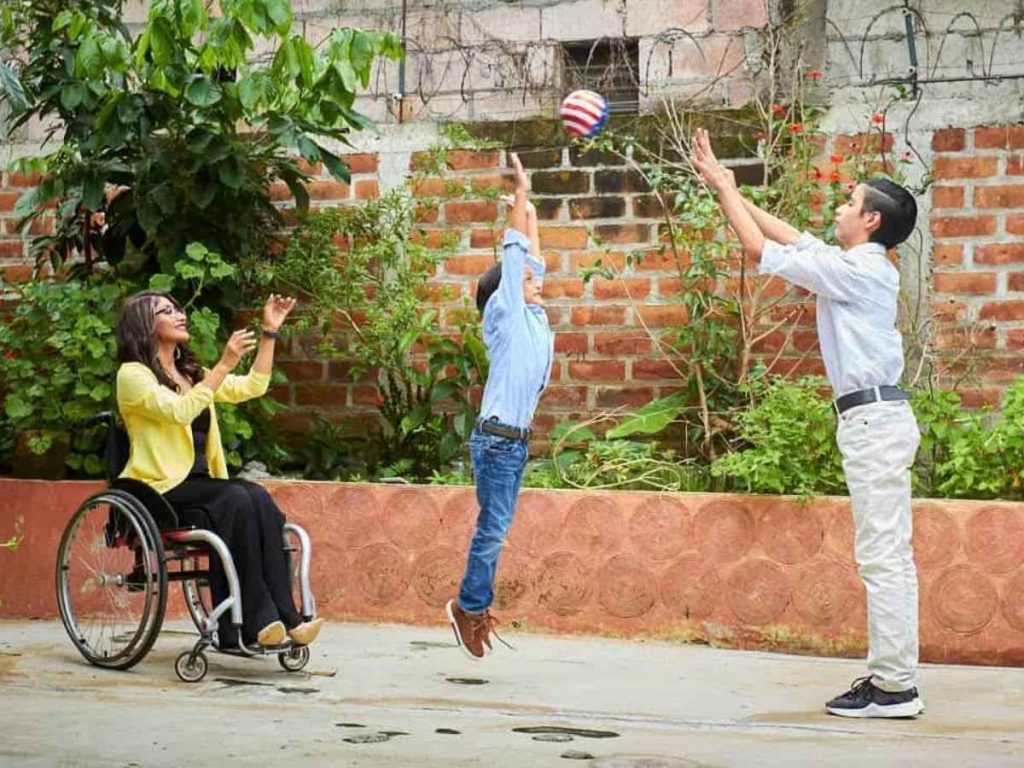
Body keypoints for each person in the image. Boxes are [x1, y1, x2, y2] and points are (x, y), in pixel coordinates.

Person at [690, 128, 923, 718]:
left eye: (850, 202)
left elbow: (758, 251)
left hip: (874, 421)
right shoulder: (855, 264)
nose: (840, 207)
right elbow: (794, 239)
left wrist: (722, 190)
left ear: (871, 221)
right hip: (870, 420)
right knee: (884, 553)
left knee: (883, 556)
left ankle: (895, 687)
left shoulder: (863, 272)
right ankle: (891, 680)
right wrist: (734, 190)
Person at [115, 291, 323, 650]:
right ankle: (254, 623)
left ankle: (287, 618)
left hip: (201, 486)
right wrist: (224, 364)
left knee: (256, 497)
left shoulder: (189, 373)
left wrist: (269, 333)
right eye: (166, 311)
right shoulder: (133, 376)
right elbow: (179, 412)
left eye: (177, 308)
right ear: (145, 327)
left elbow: (253, 386)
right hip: (159, 490)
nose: (179, 315)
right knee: (236, 499)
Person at [446, 153, 553, 660]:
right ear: (501, 298)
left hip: (512, 444)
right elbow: (515, 254)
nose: (536, 282)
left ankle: (472, 603)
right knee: (492, 528)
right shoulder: (506, 317)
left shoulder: (533, 316)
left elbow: (531, 255)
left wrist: (530, 212)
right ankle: (468, 606)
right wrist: (522, 193)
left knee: (498, 527)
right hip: (496, 442)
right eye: (525, 281)